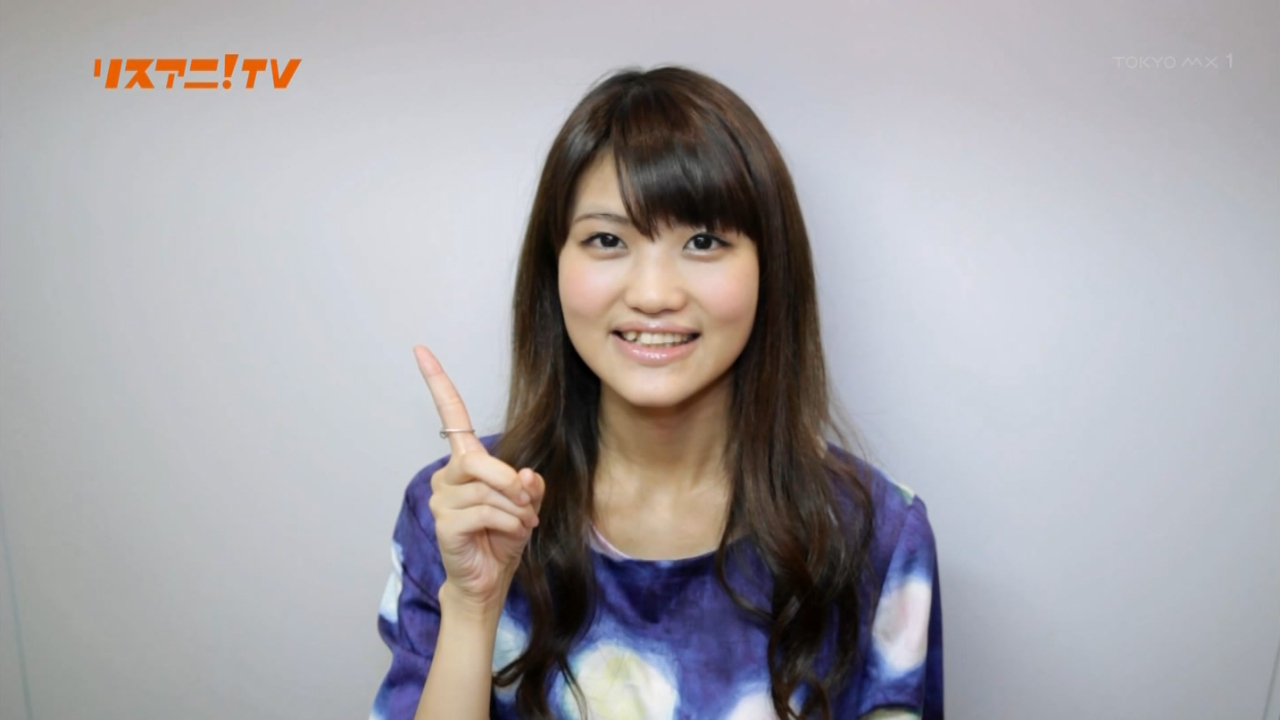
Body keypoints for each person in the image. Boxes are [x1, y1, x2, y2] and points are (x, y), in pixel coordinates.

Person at [369, 64, 943, 720]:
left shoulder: (874, 535)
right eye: (607, 240)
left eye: (703, 241)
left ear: (770, 269)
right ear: (554, 267)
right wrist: (473, 607)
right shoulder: (461, 514)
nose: (653, 295)